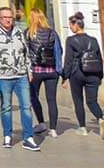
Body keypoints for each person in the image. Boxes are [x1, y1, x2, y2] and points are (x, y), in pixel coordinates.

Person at [0, 6, 40, 151]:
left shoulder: (19, 31)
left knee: (26, 106)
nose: (8, 20)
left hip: (21, 76)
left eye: (10, 17)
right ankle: (7, 135)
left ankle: (28, 137)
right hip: (2, 76)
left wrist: (29, 70)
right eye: (5, 17)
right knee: (6, 107)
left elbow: (26, 53)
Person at [62, 11, 104, 139]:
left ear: (76, 25)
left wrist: (64, 76)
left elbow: (68, 60)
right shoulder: (93, 40)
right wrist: (100, 76)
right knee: (92, 101)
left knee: (78, 101)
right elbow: (99, 58)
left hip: (77, 73)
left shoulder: (71, 40)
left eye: (71, 25)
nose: (70, 28)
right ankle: (100, 119)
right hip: (93, 73)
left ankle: (82, 127)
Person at [26, 9, 63, 139]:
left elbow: (24, 52)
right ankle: (53, 129)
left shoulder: (28, 33)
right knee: (51, 100)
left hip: (35, 71)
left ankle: (41, 123)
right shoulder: (52, 33)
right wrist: (59, 70)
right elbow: (59, 51)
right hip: (51, 71)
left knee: (33, 97)